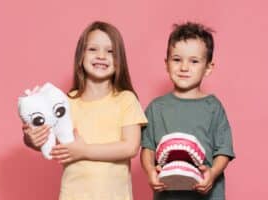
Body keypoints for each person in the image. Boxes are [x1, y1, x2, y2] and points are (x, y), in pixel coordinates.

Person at [22, 21, 147, 200]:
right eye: (93, 49)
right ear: (80, 56)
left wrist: (84, 151)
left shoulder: (126, 99)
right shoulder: (64, 104)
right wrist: (31, 139)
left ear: (119, 61)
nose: (101, 56)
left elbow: (130, 147)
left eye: (110, 51)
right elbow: (51, 143)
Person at [140, 22, 235, 200]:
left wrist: (213, 173)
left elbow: (224, 150)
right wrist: (150, 171)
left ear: (208, 68)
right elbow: (147, 148)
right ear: (166, 64)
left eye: (194, 61)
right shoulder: (156, 108)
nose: (184, 67)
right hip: (168, 194)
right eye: (177, 59)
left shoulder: (213, 108)